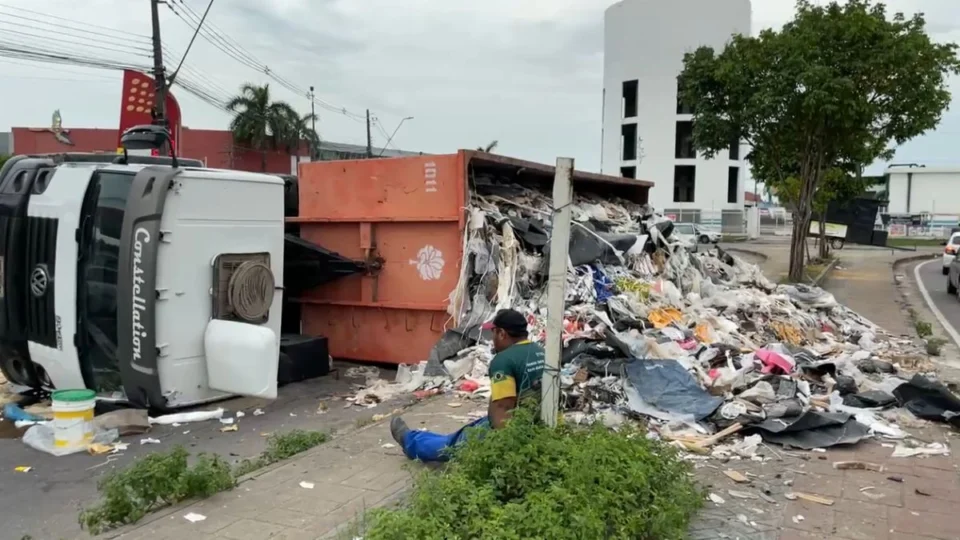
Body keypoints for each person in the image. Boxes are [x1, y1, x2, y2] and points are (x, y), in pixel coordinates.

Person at [389, 308, 545, 462]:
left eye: (493, 333)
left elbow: (503, 407)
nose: (492, 339)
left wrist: (505, 449)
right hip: (535, 423)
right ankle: (416, 438)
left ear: (502, 333)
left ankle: (410, 442)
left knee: (449, 446)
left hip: (509, 428)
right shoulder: (540, 351)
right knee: (458, 437)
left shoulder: (503, 360)